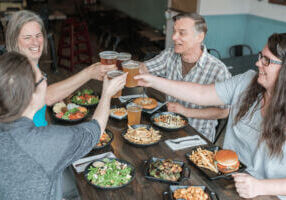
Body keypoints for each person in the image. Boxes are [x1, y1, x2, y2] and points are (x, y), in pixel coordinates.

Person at [135, 33, 286, 199]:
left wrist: (260, 187)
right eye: (260, 56)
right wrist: (153, 80)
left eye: (267, 60)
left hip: (267, 193)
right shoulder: (246, 81)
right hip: (224, 177)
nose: (258, 63)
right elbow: (201, 93)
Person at [0, 52, 127, 200]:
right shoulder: (44, 141)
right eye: (42, 79)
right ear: (32, 95)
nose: (45, 82)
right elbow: (95, 130)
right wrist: (107, 93)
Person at [5, 10, 117, 127]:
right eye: (27, 37)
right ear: (15, 41)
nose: (35, 42)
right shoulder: (13, 71)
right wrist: (88, 73)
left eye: (38, 35)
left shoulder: (31, 64)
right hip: (29, 141)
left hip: (40, 133)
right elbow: (47, 97)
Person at [140, 12, 231, 142]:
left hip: (197, 136)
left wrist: (186, 112)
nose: (174, 37)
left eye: (182, 33)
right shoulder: (170, 54)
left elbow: (223, 112)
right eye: (174, 31)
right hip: (166, 128)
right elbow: (145, 68)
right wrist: (125, 66)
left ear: (199, 36)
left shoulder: (218, 70)